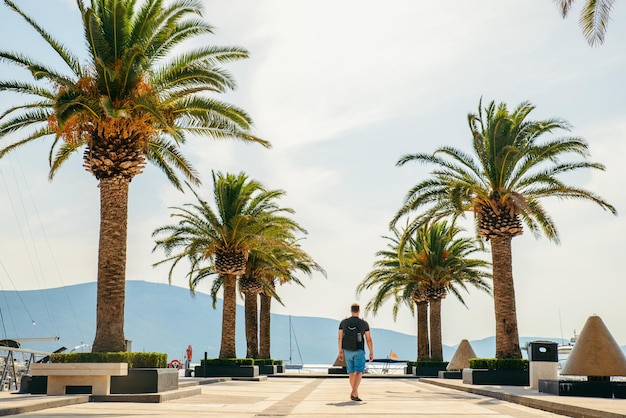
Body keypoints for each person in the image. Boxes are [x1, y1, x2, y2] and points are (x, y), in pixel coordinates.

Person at [338, 303, 373, 401]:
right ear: (359, 311)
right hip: (359, 350)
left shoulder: (343, 323)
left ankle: (355, 393)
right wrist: (371, 352)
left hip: (347, 350)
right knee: (359, 371)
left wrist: (340, 351)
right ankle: (354, 392)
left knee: (351, 373)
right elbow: (368, 339)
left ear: (351, 310)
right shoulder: (364, 323)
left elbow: (340, 337)